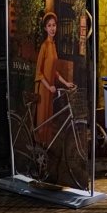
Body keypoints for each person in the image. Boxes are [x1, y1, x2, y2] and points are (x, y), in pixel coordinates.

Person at [34, 12, 74, 144]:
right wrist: (48, 86)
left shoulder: (53, 45)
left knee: (49, 118)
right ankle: (39, 147)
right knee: (42, 118)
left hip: (51, 87)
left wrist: (65, 82)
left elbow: (54, 70)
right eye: (49, 25)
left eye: (54, 25)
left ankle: (45, 146)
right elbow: (39, 71)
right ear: (45, 28)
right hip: (44, 88)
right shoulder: (45, 46)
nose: (52, 28)